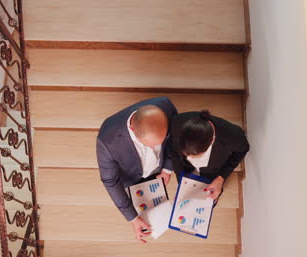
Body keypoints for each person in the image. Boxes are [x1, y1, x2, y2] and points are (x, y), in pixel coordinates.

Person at [96, 97, 177, 243]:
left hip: (159, 172)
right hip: (132, 175)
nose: (154, 150)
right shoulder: (107, 141)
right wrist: (132, 218)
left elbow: (174, 140)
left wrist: (166, 168)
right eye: (149, 145)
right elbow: (110, 180)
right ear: (133, 129)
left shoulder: (166, 106)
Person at [169, 110, 249, 203]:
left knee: (210, 198)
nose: (189, 158)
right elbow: (174, 153)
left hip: (212, 171)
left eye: (195, 156)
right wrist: (181, 183)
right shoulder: (176, 124)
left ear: (212, 141)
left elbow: (243, 149)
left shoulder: (231, 136)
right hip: (187, 170)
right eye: (186, 154)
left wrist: (221, 178)